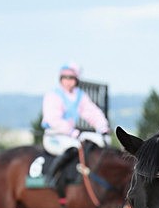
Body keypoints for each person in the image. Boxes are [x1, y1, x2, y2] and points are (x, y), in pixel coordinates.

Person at [42, 62, 111, 196]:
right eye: (65, 78)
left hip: (72, 135)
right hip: (55, 135)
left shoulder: (79, 96)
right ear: (61, 79)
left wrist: (102, 127)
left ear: (76, 80)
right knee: (74, 147)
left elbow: (92, 112)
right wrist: (71, 132)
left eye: (71, 78)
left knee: (102, 142)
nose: (68, 81)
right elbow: (53, 119)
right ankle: (51, 178)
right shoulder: (53, 95)